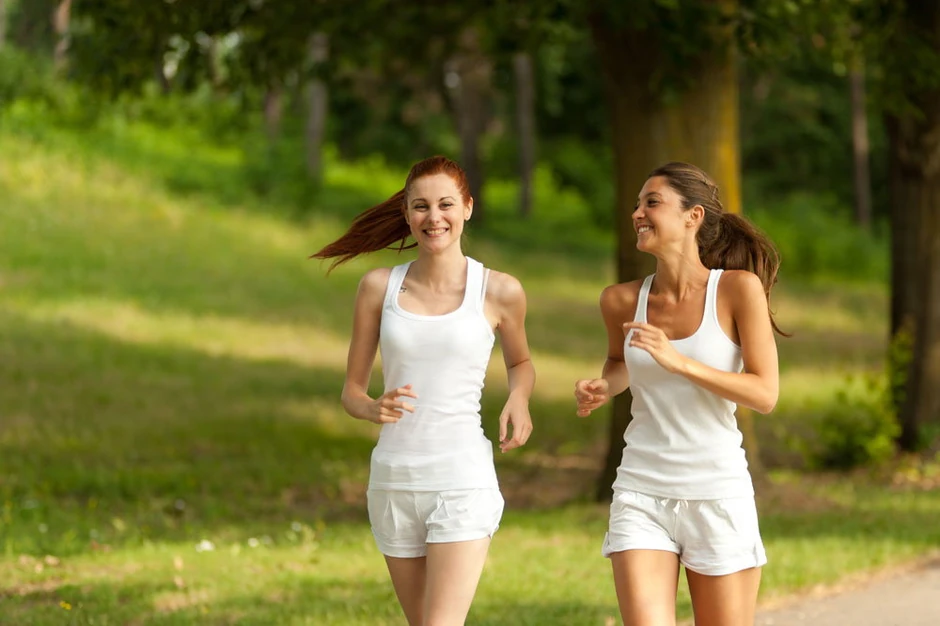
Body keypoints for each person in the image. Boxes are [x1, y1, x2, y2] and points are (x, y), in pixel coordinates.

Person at [312, 155, 535, 626]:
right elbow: (351, 391)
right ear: (407, 214)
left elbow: (521, 362)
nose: (434, 218)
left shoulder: (498, 291)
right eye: (420, 207)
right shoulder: (378, 288)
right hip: (394, 482)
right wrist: (372, 407)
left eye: (445, 205)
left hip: (461, 480)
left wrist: (519, 398)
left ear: (468, 208)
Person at [574, 162, 785, 626]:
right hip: (642, 489)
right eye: (636, 204)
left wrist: (680, 362)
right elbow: (619, 363)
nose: (637, 213)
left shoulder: (737, 291)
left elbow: (765, 393)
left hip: (716, 492)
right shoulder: (621, 300)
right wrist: (602, 387)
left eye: (652, 202)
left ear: (693, 217)